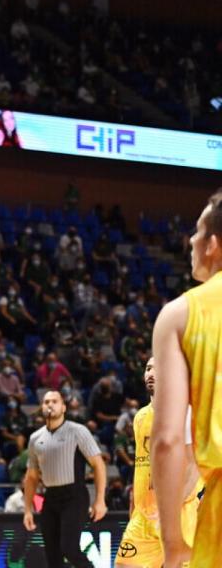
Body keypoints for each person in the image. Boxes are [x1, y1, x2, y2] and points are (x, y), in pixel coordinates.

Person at [151, 191, 222, 568]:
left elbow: (167, 439)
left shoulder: (181, 314)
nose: (191, 240)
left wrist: (173, 542)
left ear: (213, 244)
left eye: (197, 230)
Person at [117, 362, 202, 567]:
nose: (151, 373)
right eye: (148, 369)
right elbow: (141, 465)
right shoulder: (140, 417)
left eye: (158, 368)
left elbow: (195, 465)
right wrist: (134, 504)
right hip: (144, 515)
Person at [23, 390, 107, 568]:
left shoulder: (78, 431)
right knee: (52, 556)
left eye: (54, 401)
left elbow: (98, 465)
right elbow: (31, 477)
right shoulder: (35, 438)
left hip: (74, 496)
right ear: (41, 407)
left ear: (64, 407)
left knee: (69, 548)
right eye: (46, 402)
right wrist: (28, 510)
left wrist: (100, 500)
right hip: (50, 497)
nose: (50, 405)